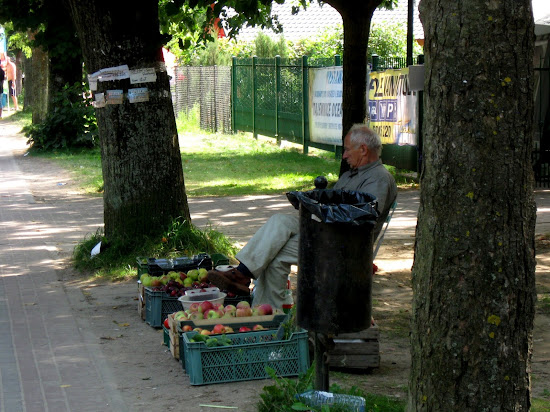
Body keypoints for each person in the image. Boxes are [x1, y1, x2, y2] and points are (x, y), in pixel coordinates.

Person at [208, 124, 398, 310]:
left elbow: (364, 220)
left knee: (274, 256)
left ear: (363, 149)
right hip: (327, 232)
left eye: (347, 150)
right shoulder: (351, 175)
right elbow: (333, 205)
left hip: (345, 246)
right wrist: (310, 201)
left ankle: (264, 309)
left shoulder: (379, 178)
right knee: (279, 221)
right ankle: (246, 278)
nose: (344, 155)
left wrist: (320, 207)